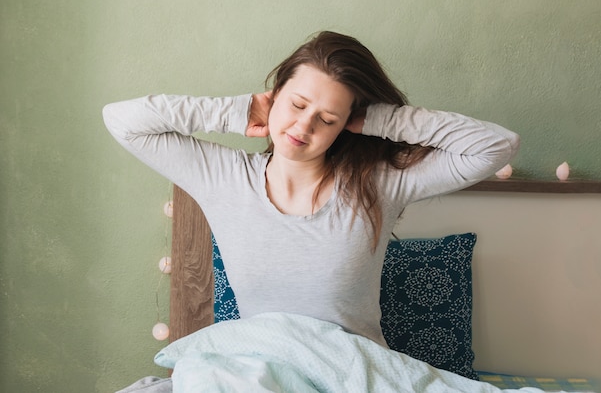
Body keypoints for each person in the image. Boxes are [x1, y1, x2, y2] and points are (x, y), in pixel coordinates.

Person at [103, 31, 519, 347]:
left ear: (346, 125)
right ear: (275, 95)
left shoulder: (379, 184)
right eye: (298, 105)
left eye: (327, 118)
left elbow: (497, 146)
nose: (304, 127)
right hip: (257, 371)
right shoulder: (223, 177)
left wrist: (379, 120)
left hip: (351, 375)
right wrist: (237, 110)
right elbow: (122, 120)